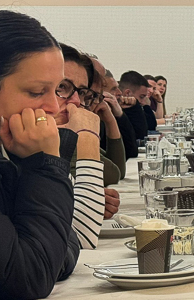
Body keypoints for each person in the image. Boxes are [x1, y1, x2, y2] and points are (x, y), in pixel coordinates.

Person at [0, 10, 79, 299]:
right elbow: (28, 276)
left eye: (57, 89)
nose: (54, 106)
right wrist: (44, 166)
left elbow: (61, 247)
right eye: (37, 91)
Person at [54, 44, 109, 248]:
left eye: (82, 92)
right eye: (62, 87)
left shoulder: (45, 147)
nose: (76, 102)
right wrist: (88, 137)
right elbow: (81, 239)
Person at [104, 70, 146, 148]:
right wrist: (119, 116)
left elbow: (140, 137)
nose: (119, 92)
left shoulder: (118, 109)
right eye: (113, 89)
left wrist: (134, 109)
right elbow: (130, 149)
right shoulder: (99, 118)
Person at [119, 70, 155, 137]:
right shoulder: (119, 111)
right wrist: (137, 107)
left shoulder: (133, 109)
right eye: (141, 97)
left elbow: (151, 125)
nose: (143, 101)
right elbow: (140, 135)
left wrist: (146, 106)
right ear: (127, 93)